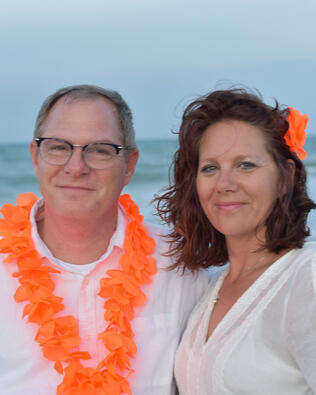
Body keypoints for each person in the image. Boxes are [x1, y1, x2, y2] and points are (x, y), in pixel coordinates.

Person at [0, 84, 208, 395]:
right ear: (35, 156)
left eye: (99, 150)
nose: (76, 167)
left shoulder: (182, 264)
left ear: (130, 165)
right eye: (58, 147)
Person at [156, 88, 316, 394]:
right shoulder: (209, 288)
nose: (224, 184)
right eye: (210, 168)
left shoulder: (306, 277)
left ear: (284, 176)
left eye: (245, 165)